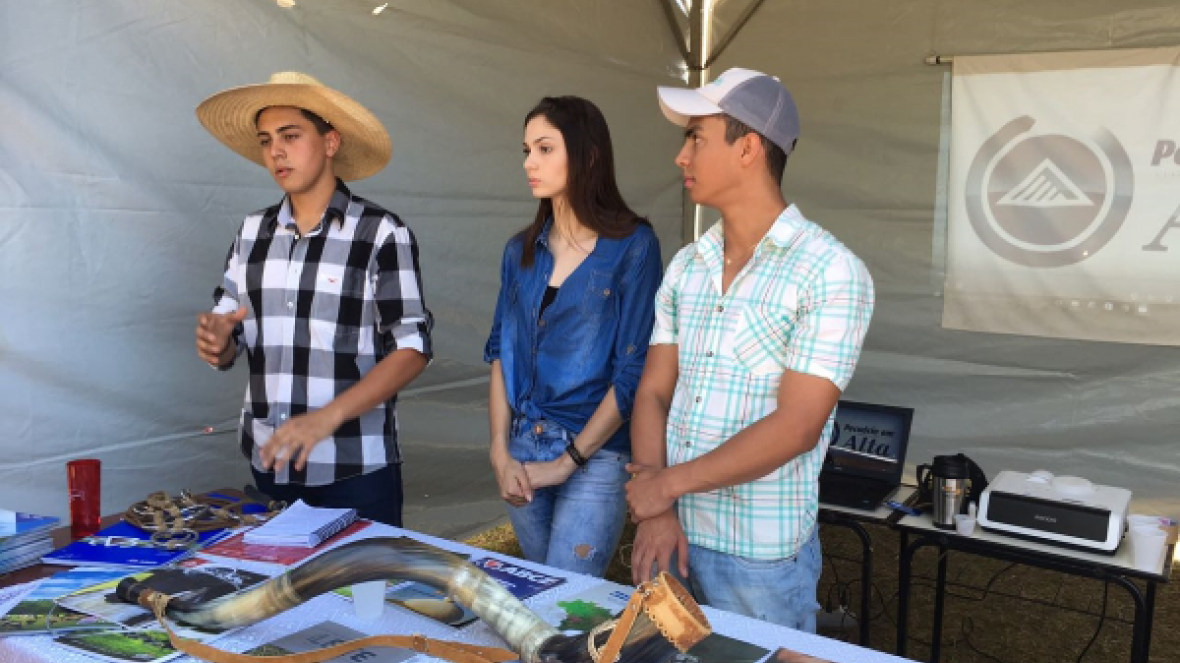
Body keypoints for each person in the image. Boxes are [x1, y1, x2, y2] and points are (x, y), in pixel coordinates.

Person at [625, 68, 875, 630]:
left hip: (758, 560)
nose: (681, 157)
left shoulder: (830, 271)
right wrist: (658, 506)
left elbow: (797, 426)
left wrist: (662, 486)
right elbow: (655, 390)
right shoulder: (689, 265)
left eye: (696, 138)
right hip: (672, 534)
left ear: (749, 148)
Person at [193, 72, 432, 526]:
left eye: (290, 136)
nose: (275, 152)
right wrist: (217, 340)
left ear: (330, 142)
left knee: (360, 596)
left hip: (356, 468)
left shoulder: (379, 233)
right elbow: (229, 332)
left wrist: (327, 418)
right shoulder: (250, 233)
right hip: (271, 467)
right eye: (266, 141)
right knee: (279, 596)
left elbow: (413, 348)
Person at [484, 96, 663, 576]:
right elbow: (500, 353)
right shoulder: (518, 251)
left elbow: (633, 373)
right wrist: (499, 450)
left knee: (570, 598)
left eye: (544, 148)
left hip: (596, 453)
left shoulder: (633, 247)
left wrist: (568, 460)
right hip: (522, 447)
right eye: (526, 150)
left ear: (587, 155)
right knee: (543, 592)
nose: (529, 163)